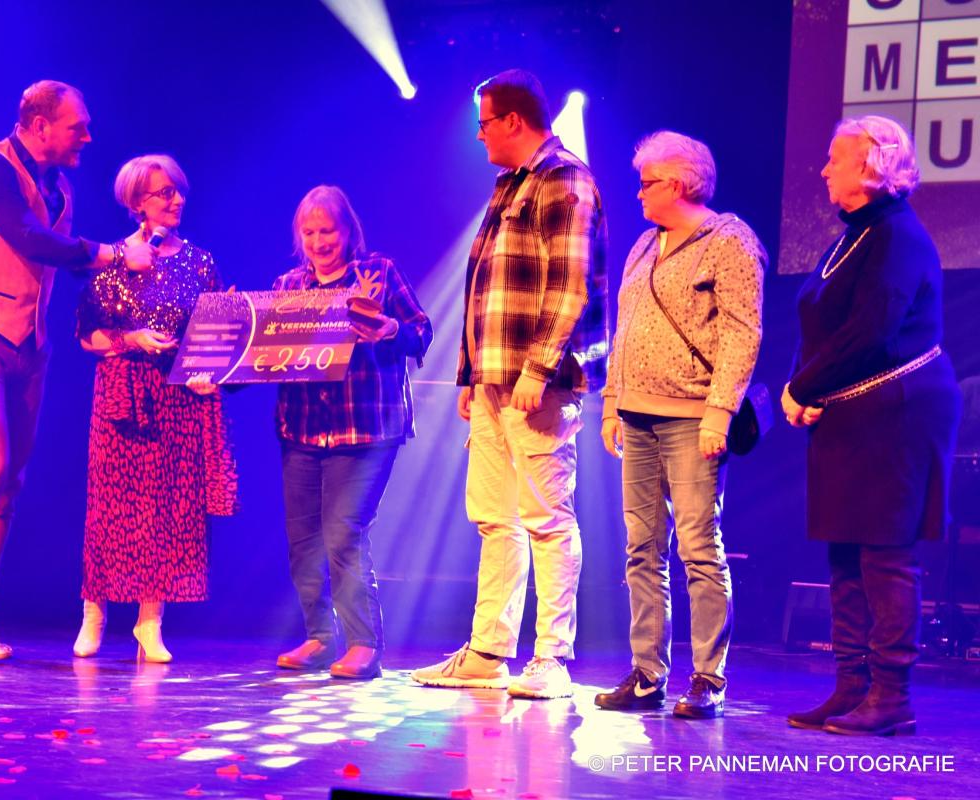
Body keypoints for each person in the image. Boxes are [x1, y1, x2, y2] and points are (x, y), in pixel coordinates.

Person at [0, 80, 155, 663]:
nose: (88, 136)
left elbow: (67, 259)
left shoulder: (59, 187)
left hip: (27, 344)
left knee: (10, 479)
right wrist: (113, 253)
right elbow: (29, 239)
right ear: (39, 126)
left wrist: (136, 263)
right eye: (77, 126)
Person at [411, 69, 608, 699]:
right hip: (496, 378)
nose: (479, 135)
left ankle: (552, 658)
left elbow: (571, 286)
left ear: (514, 121)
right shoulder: (509, 185)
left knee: (547, 517)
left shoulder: (564, 179)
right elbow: (482, 290)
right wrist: (469, 375)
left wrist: (540, 367)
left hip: (536, 381)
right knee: (496, 518)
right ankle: (488, 652)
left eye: (486, 123)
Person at [783, 116, 960, 736]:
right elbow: (820, 324)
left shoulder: (898, 237)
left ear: (869, 165)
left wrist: (803, 388)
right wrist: (802, 386)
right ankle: (852, 687)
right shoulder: (854, 236)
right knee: (845, 549)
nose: (823, 169)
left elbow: (871, 332)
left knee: (885, 550)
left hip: (897, 410)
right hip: (852, 408)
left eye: (835, 158)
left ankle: (892, 697)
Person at [592, 131, 765, 719]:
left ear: (680, 184)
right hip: (637, 415)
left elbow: (742, 332)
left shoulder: (730, 241)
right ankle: (647, 673)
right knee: (641, 549)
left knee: (698, 547)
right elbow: (624, 329)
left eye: (647, 182)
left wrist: (720, 411)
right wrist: (612, 402)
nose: (638, 192)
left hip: (693, 419)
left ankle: (708, 678)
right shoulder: (645, 244)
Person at [73, 155, 238, 663]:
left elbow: (212, 336)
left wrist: (213, 360)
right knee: (111, 506)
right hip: (123, 395)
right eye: (165, 193)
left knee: (165, 510)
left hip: (175, 398)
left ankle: (150, 622)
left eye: (178, 191)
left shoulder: (201, 262)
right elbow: (86, 336)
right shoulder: (114, 259)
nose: (176, 200)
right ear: (137, 202)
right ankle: (94, 613)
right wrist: (131, 339)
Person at [273, 185, 433, 680]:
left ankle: (364, 643)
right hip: (303, 428)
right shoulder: (287, 285)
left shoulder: (378, 273)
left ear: (348, 231)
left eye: (328, 231)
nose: (320, 241)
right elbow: (265, 354)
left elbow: (421, 331)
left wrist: (390, 330)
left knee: (343, 532)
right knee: (304, 539)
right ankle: (321, 638)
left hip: (365, 428)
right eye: (310, 232)